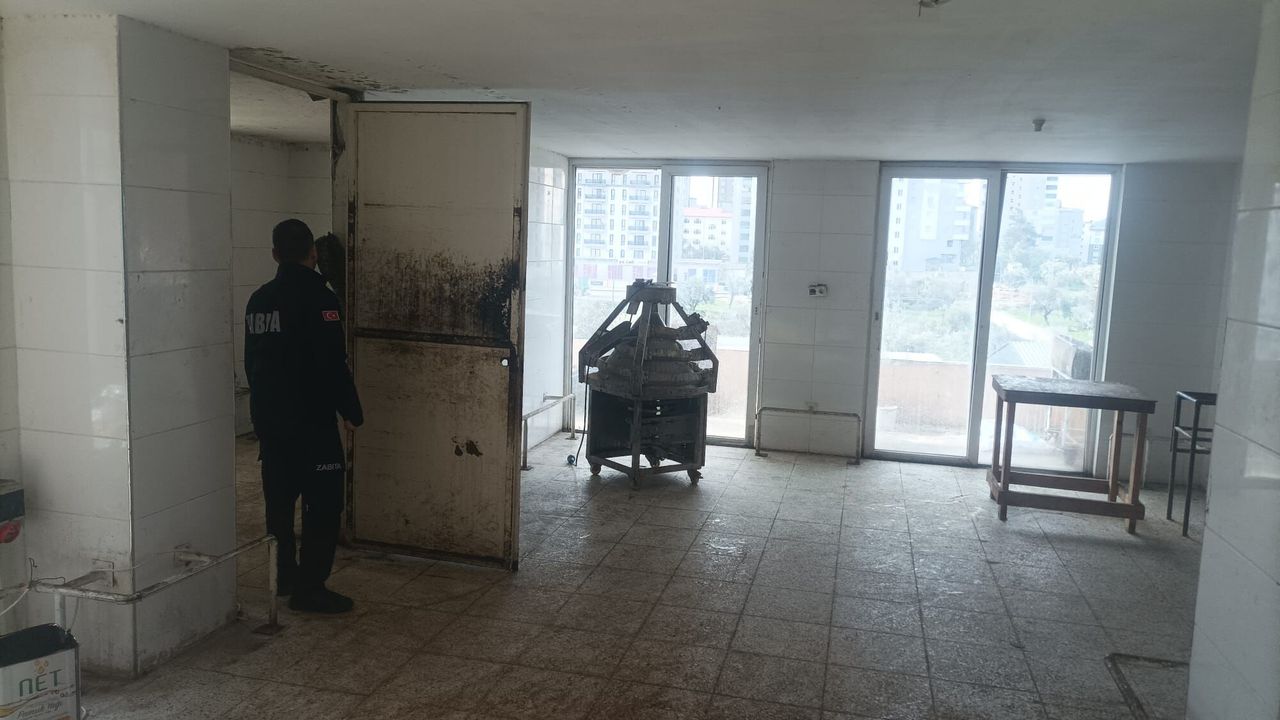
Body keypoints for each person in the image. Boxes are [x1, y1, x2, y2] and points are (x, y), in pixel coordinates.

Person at [244, 219, 363, 614]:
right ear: (313, 252)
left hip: (271, 423)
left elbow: (251, 363)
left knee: (279, 506)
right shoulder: (320, 299)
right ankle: (310, 589)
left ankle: (283, 578)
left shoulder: (258, 300)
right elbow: (332, 364)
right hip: (311, 424)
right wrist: (351, 411)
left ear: (275, 254)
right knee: (323, 506)